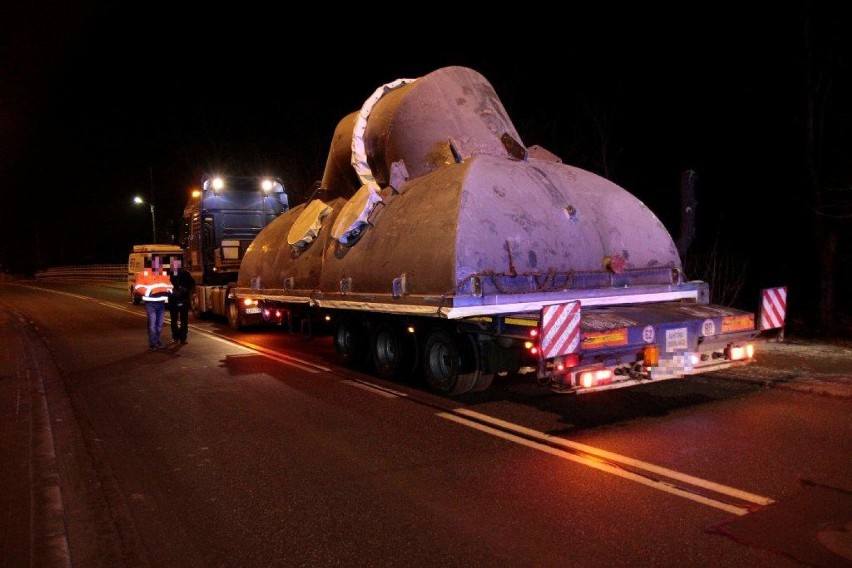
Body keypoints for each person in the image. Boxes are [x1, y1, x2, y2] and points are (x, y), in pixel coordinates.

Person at [134, 256, 173, 350]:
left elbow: (170, 285)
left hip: (161, 303)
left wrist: (169, 292)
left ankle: (157, 341)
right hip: (151, 303)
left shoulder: (163, 274)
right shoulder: (144, 274)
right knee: (152, 324)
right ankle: (153, 344)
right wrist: (148, 293)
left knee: (159, 325)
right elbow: (138, 286)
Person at [168, 266, 195, 344]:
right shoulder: (184, 274)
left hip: (178, 300)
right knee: (180, 320)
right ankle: (180, 337)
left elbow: (192, 284)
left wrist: (185, 290)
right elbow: (192, 284)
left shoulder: (175, 275)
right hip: (178, 300)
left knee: (176, 320)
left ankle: (178, 337)